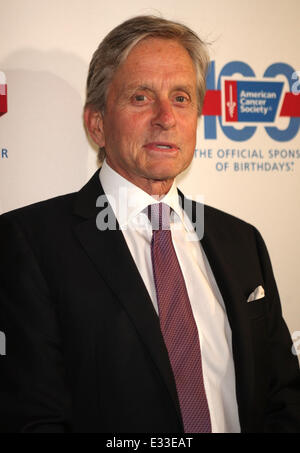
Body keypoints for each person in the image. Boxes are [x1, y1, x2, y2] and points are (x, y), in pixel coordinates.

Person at [0, 15, 299, 434]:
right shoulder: (26, 242)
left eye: (181, 98)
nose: (165, 117)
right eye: (141, 97)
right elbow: (32, 417)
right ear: (97, 123)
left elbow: (282, 395)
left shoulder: (242, 240)